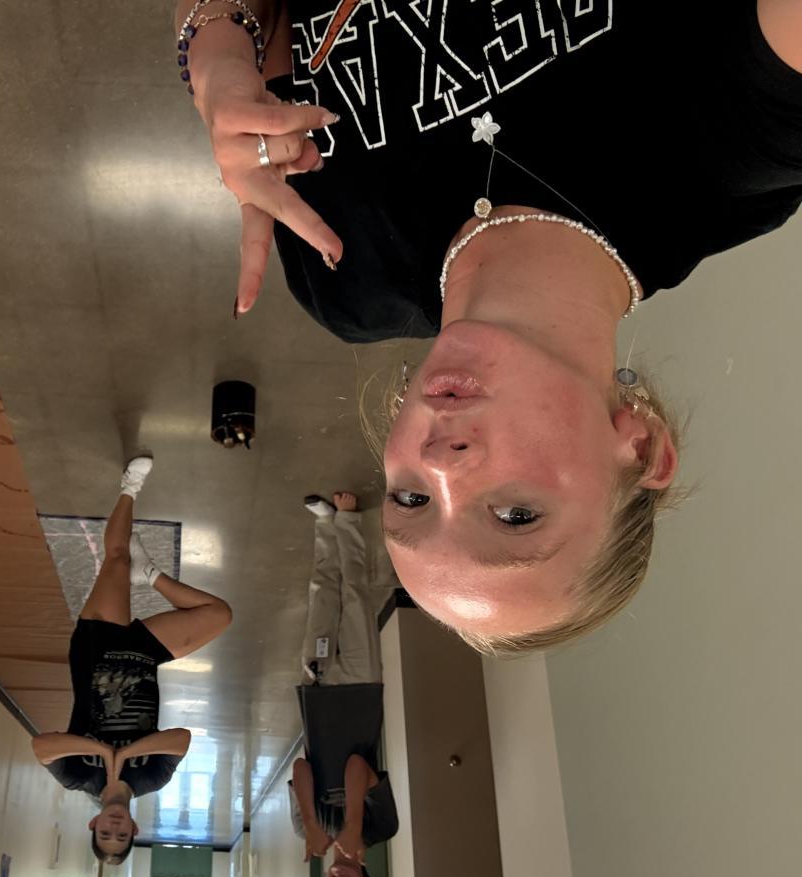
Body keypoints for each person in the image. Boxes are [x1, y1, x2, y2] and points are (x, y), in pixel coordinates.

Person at [176, 0, 802, 651]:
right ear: (641, 448)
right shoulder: (735, 149)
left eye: (411, 501)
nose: (440, 465)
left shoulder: (343, 279)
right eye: (516, 515)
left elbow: (273, 22)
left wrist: (217, 58)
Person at [31, 456, 233, 864]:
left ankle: (129, 488)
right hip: (144, 658)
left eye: (105, 833)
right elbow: (180, 738)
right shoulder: (150, 780)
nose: (115, 826)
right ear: (134, 830)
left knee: (117, 559)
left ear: (93, 824)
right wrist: (121, 757)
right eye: (121, 835)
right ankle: (151, 573)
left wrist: (100, 753)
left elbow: (41, 746)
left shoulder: (78, 777)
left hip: (97, 649)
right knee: (218, 614)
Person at [289, 492, 397, 877]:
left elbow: (301, 768)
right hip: (360, 691)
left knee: (321, 599)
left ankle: (324, 525)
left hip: (317, 697)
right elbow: (356, 765)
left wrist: (314, 824)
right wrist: (352, 825)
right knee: (354, 598)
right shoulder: (381, 828)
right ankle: (348, 522)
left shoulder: (309, 830)